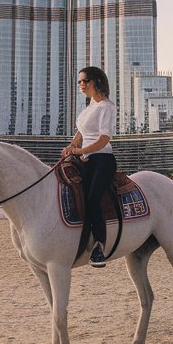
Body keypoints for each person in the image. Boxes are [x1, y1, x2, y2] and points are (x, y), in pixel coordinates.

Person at [60, 66, 117, 268]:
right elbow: (82, 132)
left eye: (84, 81)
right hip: (84, 157)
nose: (81, 85)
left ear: (96, 82)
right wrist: (72, 145)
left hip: (101, 160)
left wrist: (80, 151)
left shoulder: (107, 107)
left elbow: (103, 140)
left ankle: (101, 246)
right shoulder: (91, 105)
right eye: (79, 81)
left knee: (92, 199)